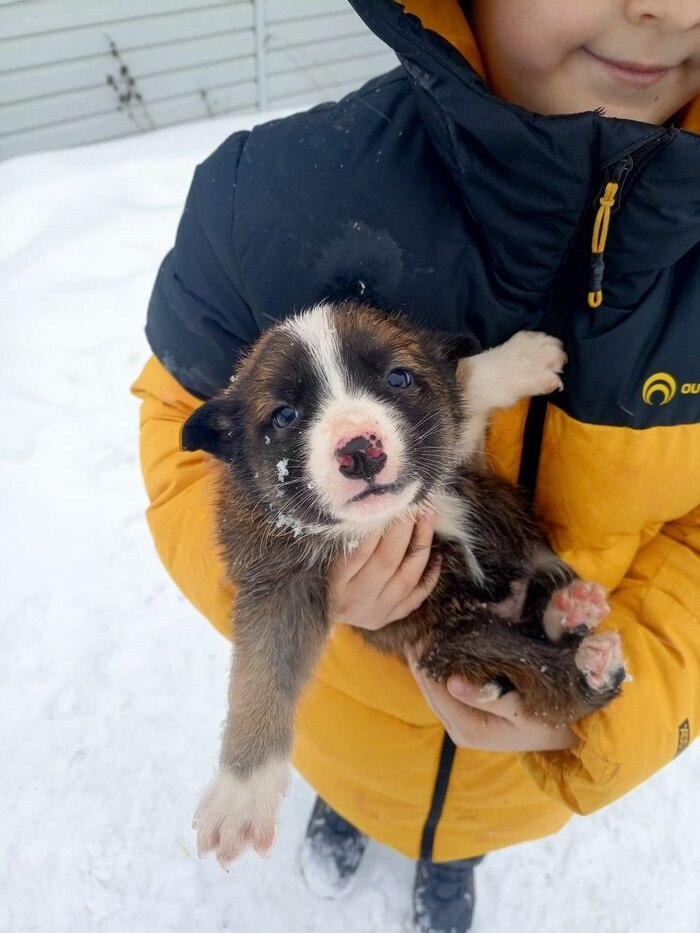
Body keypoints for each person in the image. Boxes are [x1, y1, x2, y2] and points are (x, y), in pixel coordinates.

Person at [132, 2, 700, 930]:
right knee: (361, 781)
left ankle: (449, 863)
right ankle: (348, 815)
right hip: (351, 732)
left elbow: (434, 404)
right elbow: (184, 443)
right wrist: (269, 712)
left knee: (468, 806)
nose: (668, 8)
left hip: (511, 773)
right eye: (290, 413)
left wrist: (596, 726)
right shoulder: (266, 202)